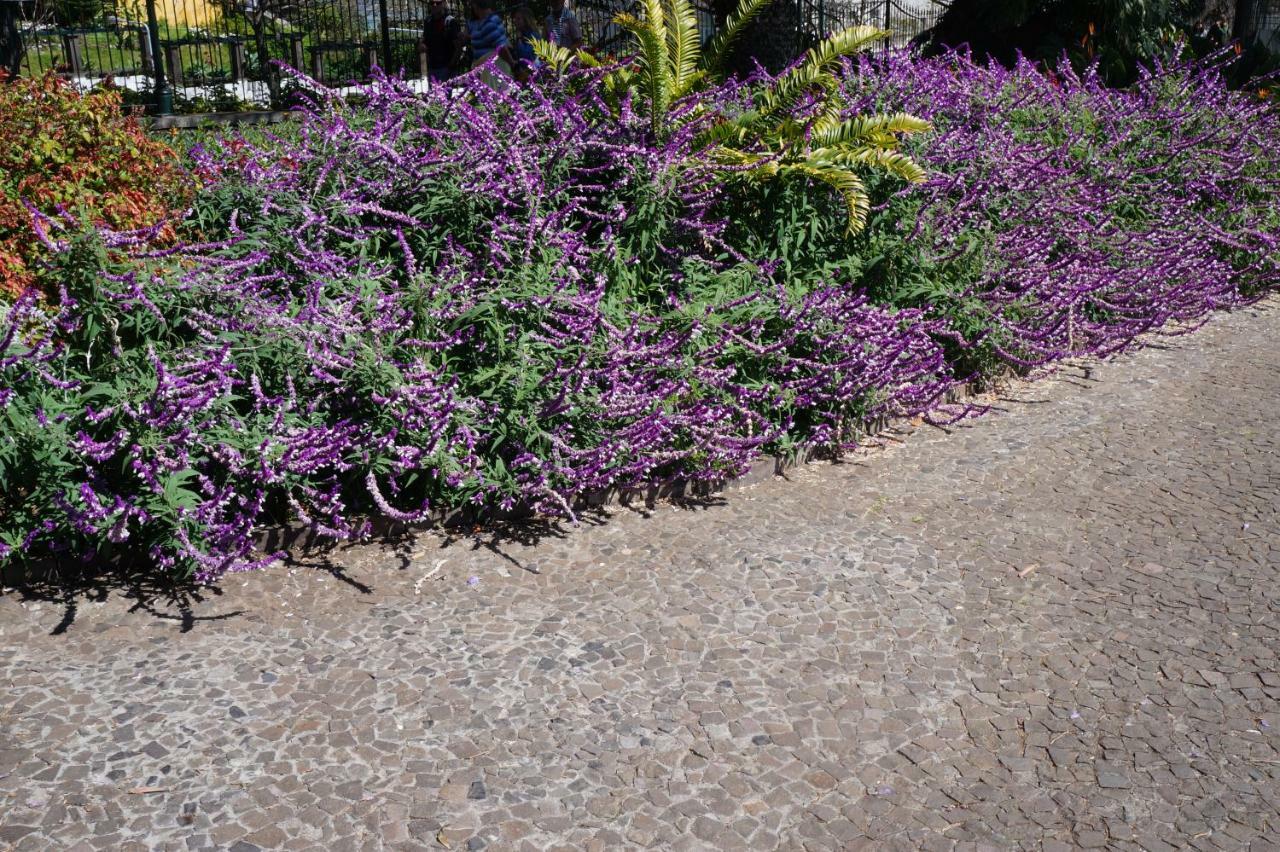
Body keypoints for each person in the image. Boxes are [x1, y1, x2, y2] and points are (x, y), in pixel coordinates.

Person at [420, 0, 465, 82]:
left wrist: (451, 66)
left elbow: (458, 47)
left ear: (443, 4)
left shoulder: (450, 21)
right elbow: (425, 40)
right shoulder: (428, 21)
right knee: (434, 94)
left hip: (446, 67)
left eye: (438, 3)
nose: (434, 5)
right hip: (433, 66)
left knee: (443, 94)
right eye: (431, 3)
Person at [467, 0, 512, 71]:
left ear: (475, 6)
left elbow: (502, 48)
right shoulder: (492, 19)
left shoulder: (489, 23)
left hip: (492, 70)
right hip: (489, 69)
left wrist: (513, 64)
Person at [511, 5, 539, 81]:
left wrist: (519, 39)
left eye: (518, 19)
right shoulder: (522, 35)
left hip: (532, 75)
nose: (515, 21)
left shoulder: (533, 36)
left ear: (526, 20)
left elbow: (526, 55)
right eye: (515, 19)